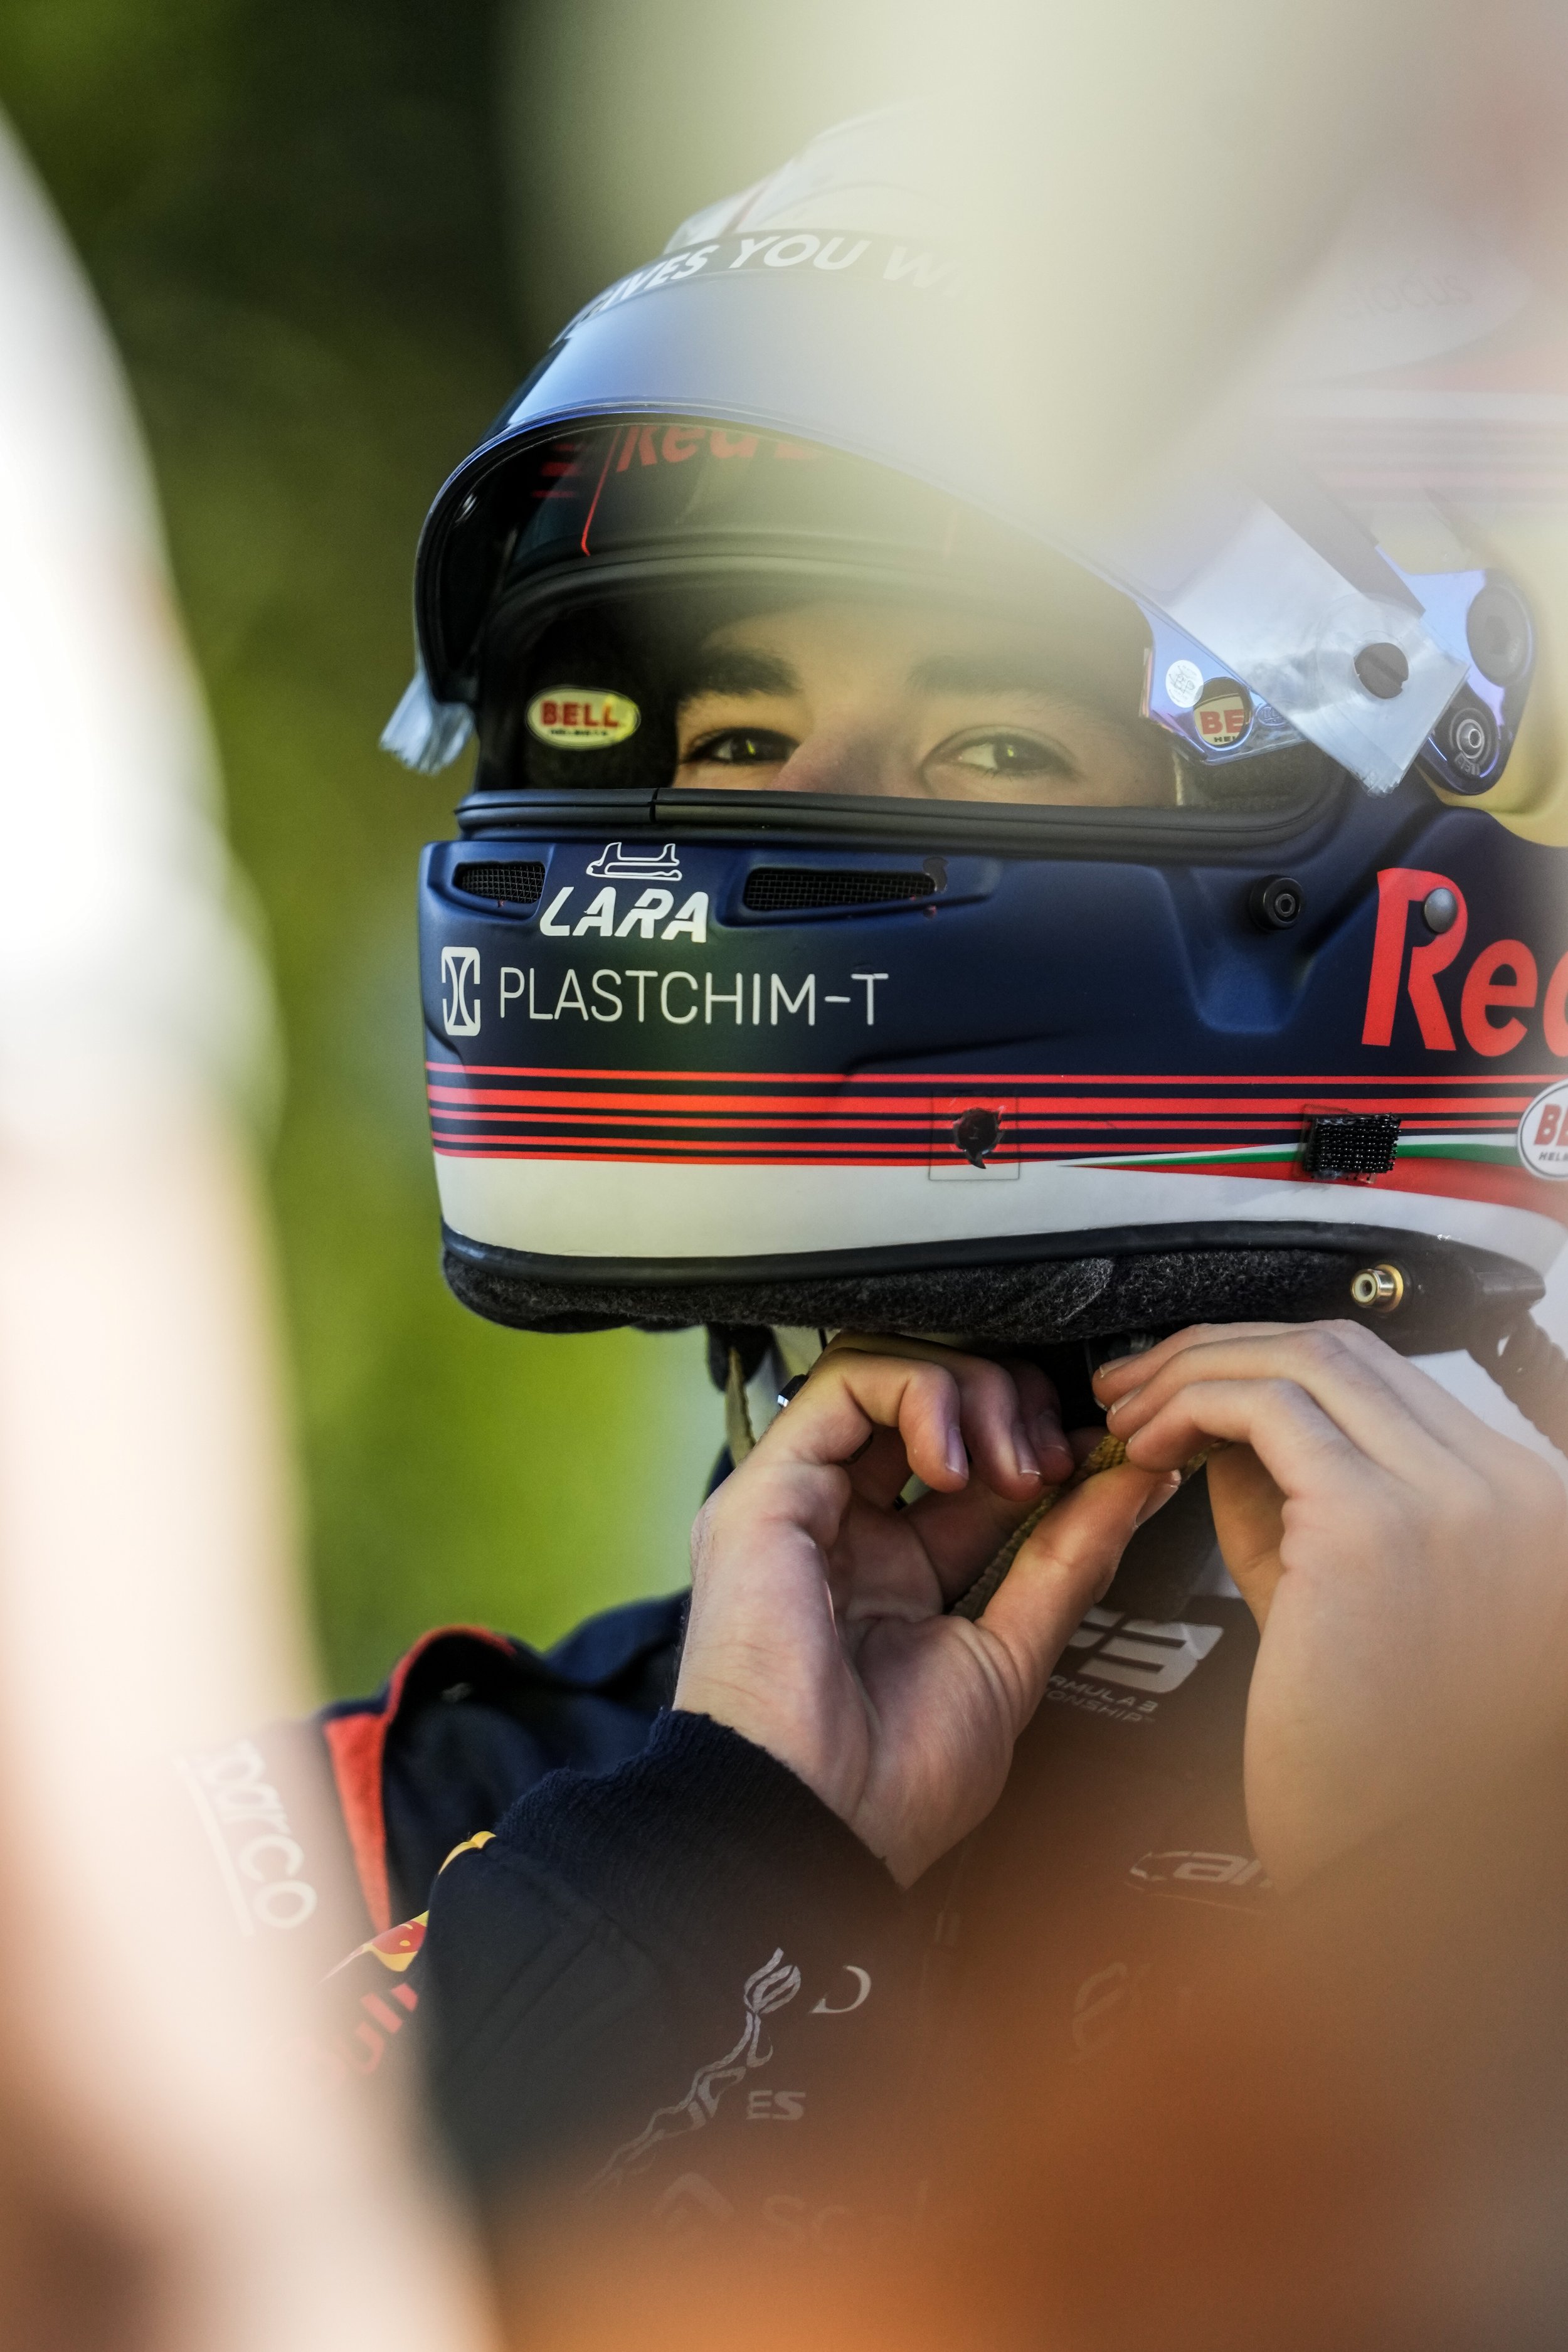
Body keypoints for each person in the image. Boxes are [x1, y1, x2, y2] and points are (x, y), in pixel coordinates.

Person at [270, 105, 1568, 2228]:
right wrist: (708, 1869)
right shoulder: (402, 1831)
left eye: (990, 743)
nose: (804, 827)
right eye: (743, 743)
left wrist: (1446, 1922)